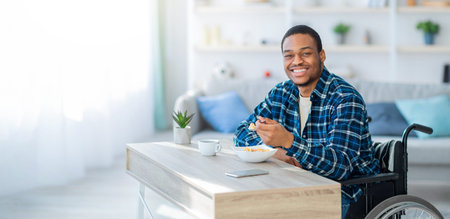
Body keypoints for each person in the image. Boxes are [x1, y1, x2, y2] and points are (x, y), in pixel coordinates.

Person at [233, 25, 380, 218]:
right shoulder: (281, 92)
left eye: (306, 53)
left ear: (322, 55)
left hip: (345, 190)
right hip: (295, 183)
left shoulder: (345, 98)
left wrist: (288, 141)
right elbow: (242, 132)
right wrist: (276, 152)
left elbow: (340, 167)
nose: (297, 62)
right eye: (289, 55)